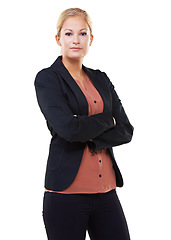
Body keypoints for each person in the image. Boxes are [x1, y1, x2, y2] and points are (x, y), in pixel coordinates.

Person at [35, 8, 134, 240]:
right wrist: (107, 120)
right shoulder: (48, 78)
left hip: (107, 194)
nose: (76, 40)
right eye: (69, 34)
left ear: (91, 38)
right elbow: (68, 128)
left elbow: (126, 130)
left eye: (83, 33)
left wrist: (88, 131)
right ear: (58, 38)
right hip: (67, 195)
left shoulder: (101, 78)